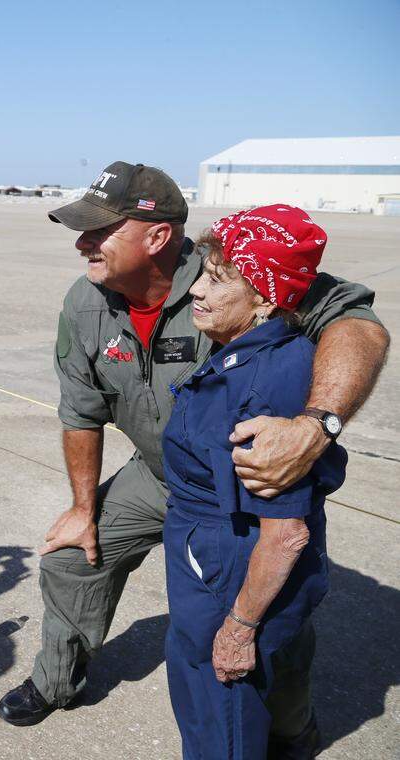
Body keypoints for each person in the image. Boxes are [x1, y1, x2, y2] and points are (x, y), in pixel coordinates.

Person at [0, 162, 389, 748]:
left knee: (269, 628)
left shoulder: (234, 268)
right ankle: (57, 680)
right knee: (73, 559)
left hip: (240, 492)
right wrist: (82, 508)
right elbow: (81, 412)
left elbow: (357, 323)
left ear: (156, 236)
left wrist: (316, 425)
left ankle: (290, 727)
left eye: (99, 231)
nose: (82, 244)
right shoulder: (85, 302)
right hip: (159, 475)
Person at [162, 205, 344, 758]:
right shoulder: (242, 349)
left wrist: (239, 627)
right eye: (202, 274)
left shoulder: (270, 382)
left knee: (224, 715)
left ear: (266, 299)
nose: (196, 290)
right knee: (203, 700)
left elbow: (285, 534)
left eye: (218, 280)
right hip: (211, 555)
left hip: (231, 565)